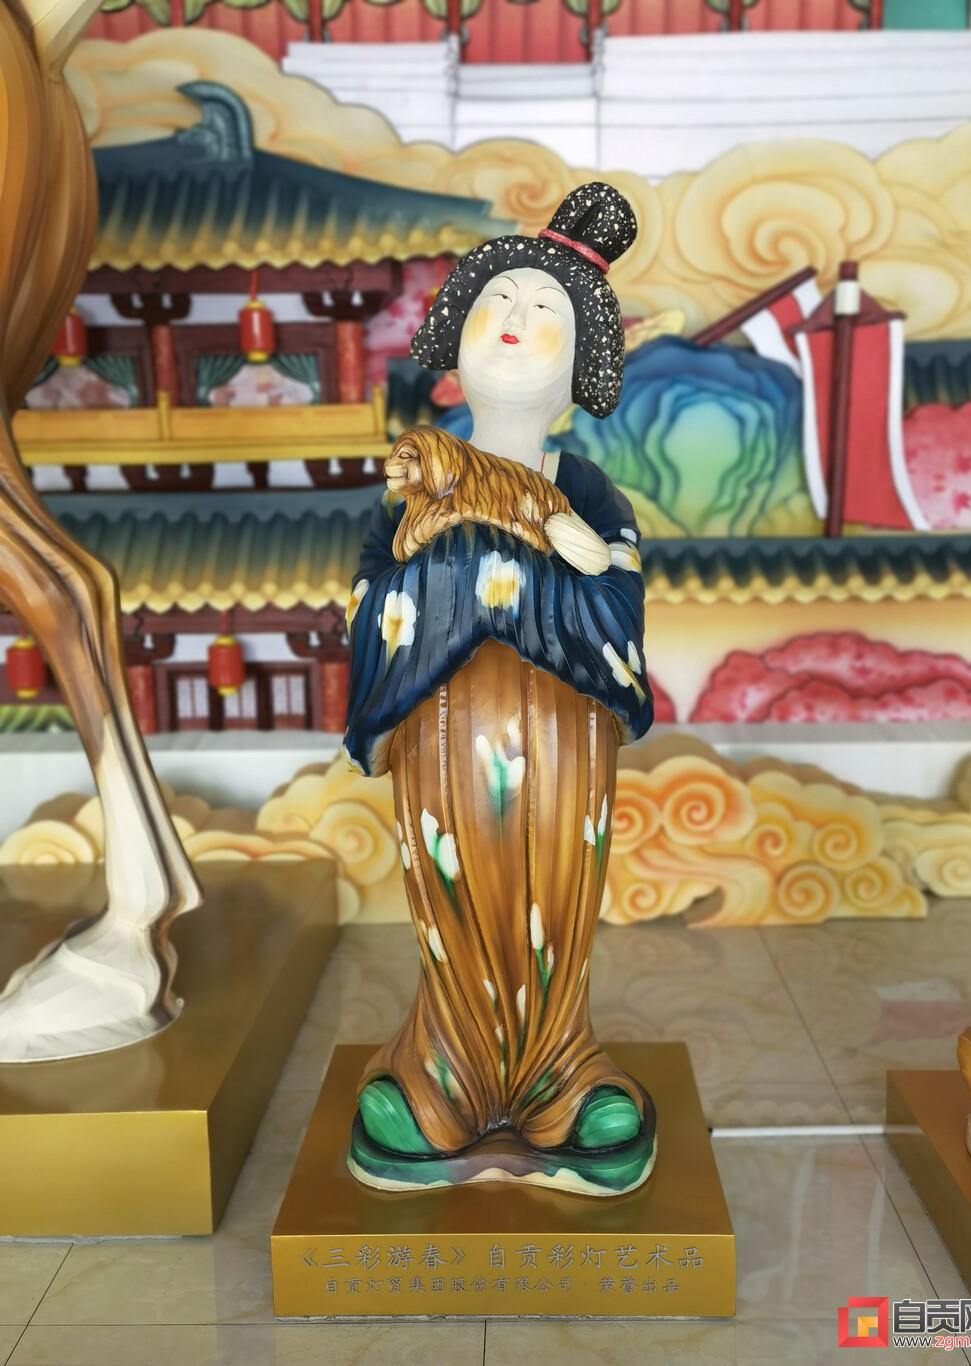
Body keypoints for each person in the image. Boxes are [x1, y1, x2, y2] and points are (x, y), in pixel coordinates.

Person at [344, 183, 656, 1195]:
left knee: (555, 896)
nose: (517, 318)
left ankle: (561, 1071)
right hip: (441, 725)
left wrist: (500, 553)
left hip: (564, 733)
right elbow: (374, 607)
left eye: (546, 309)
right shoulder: (416, 476)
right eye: (499, 299)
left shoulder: (591, 491)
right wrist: (515, 556)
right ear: (456, 331)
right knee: (454, 892)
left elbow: (615, 612)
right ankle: (441, 1071)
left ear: (581, 362)